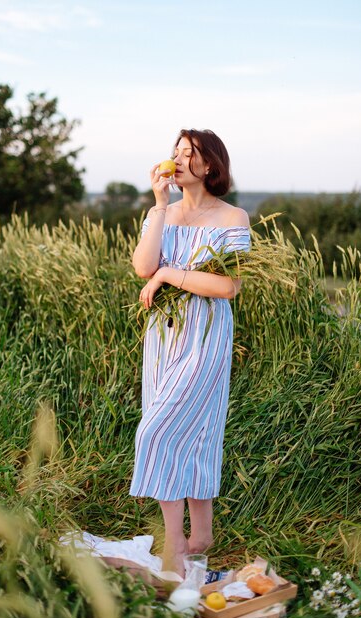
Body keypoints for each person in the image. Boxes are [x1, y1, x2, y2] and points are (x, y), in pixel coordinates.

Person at [129, 128, 251, 576]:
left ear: (210, 166)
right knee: (191, 436)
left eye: (190, 153)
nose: (178, 160)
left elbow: (226, 287)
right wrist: (160, 207)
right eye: (175, 152)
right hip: (162, 338)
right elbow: (142, 266)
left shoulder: (232, 217)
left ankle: (178, 544)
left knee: (156, 432)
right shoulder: (163, 212)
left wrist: (167, 276)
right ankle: (199, 537)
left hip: (205, 336)